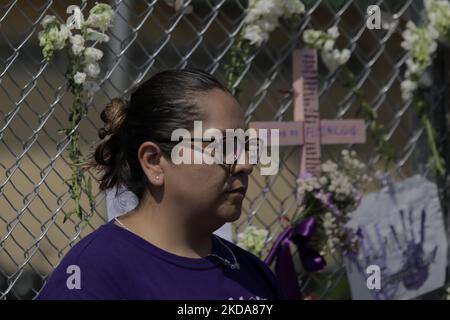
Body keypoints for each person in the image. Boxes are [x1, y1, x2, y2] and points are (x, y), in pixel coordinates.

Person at [36, 69, 285, 300]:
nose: (245, 164)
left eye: (245, 146)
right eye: (224, 146)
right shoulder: (94, 275)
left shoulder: (254, 277)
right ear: (154, 162)